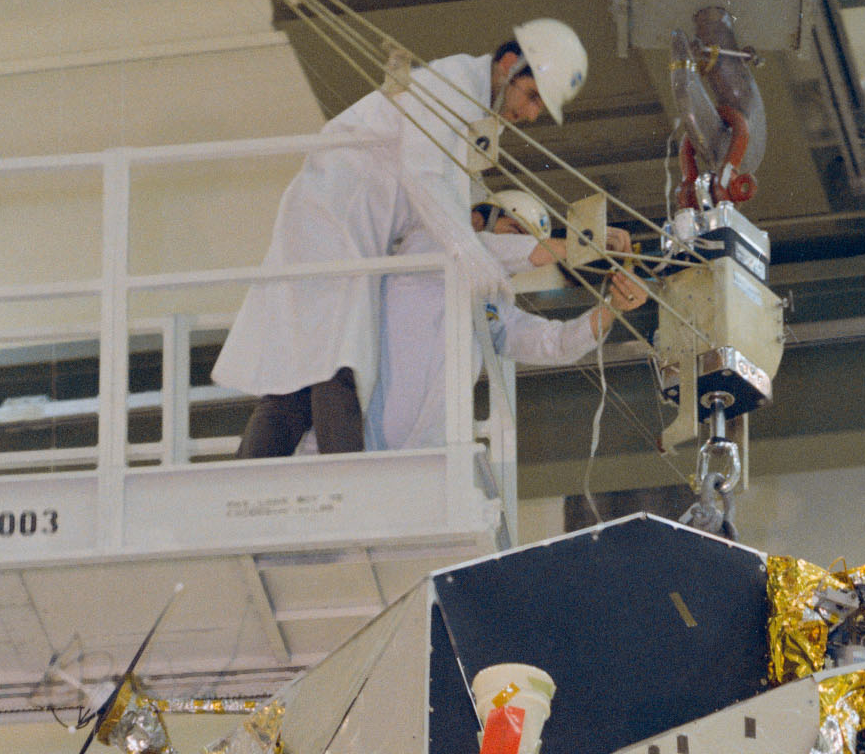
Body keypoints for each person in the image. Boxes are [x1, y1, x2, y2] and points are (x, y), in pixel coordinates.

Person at [216, 23, 597, 458]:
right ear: (509, 65)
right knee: (337, 363)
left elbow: (445, 196)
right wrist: (470, 249)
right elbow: (425, 176)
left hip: (349, 229)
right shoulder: (449, 86)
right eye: (532, 97)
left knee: (304, 375)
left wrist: (473, 240)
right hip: (333, 220)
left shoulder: (469, 112)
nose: (530, 116)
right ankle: (347, 480)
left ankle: (252, 473)